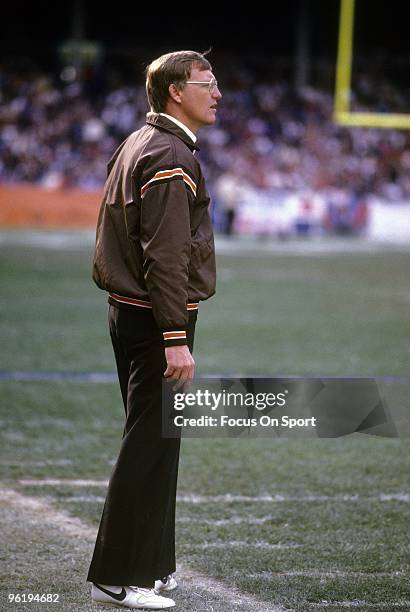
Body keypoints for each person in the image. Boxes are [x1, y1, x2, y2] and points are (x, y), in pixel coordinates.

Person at [86, 50, 221, 609]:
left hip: (131, 311)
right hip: (155, 319)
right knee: (148, 445)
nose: (217, 93)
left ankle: (154, 564)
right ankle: (118, 573)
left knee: (161, 441)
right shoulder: (169, 153)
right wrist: (174, 335)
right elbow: (165, 254)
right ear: (174, 92)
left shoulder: (140, 142)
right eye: (206, 83)